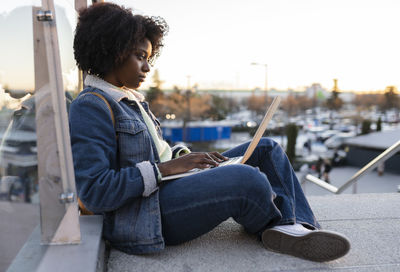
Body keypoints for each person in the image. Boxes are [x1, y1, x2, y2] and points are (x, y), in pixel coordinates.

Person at [70, 2, 350, 262]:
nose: (147, 67)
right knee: (244, 179)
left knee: (266, 148)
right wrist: (165, 170)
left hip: (167, 188)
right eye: (140, 56)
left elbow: (154, 150)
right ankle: (280, 226)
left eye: (149, 58)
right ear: (111, 50)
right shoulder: (91, 107)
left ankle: (298, 227)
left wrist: (188, 159)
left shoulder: (127, 98)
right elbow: (95, 191)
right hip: (146, 214)